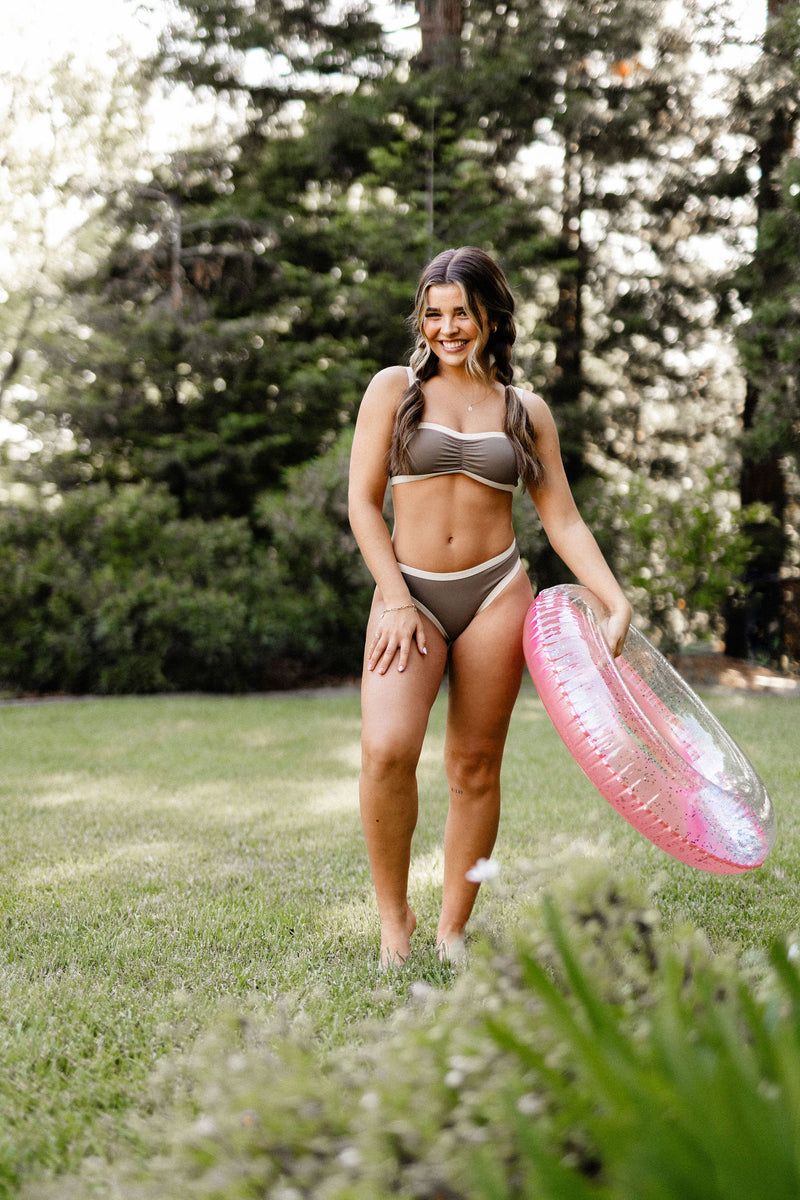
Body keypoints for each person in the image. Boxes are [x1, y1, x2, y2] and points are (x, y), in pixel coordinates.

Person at [348, 246, 631, 968]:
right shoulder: (393, 389)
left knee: (474, 765)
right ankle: (394, 922)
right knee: (386, 752)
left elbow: (561, 518)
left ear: (489, 318)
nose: (447, 328)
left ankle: (451, 929)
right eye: (433, 315)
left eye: (461, 314)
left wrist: (612, 597)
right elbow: (360, 503)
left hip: (497, 591)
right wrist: (395, 596)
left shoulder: (524, 410)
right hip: (406, 591)